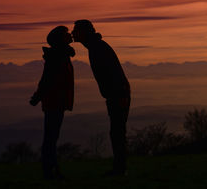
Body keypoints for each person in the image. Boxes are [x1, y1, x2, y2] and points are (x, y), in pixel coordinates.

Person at [72, 19, 131, 176]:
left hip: (118, 95)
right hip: (116, 94)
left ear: (84, 32)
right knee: (117, 132)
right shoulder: (96, 47)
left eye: (76, 30)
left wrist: (121, 94)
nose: (72, 33)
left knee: (117, 132)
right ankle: (120, 168)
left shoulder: (98, 48)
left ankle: (120, 169)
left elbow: (114, 73)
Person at [29, 26, 75, 180]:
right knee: (51, 138)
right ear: (60, 40)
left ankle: (51, 170)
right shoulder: (57, 57)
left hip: (56, 101)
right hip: (54, 102)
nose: (70, 36)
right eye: (66, 34)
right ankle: (50, 172)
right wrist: (37, 97)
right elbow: (46, 80)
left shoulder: (60, 55)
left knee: (52, 137)